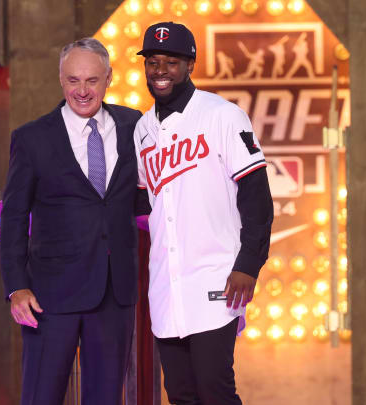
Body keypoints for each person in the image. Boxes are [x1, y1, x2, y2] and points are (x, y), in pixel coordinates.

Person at [134, 22, 274, 405]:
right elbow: (148, 207)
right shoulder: (142, 130)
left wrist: (248, 263)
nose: (160, 70)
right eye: (153, 61)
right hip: (166, 285)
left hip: (216, 279)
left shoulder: (223, 116)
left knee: (216, 392)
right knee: (180, 395)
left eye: (172, 61)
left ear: (190, 64)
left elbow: (257, 198)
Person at [0, 37, 143, 405]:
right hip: (49, 297)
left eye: (92, 80)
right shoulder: (32, 139)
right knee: (41, 397)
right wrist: (17, 287)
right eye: (73, 80)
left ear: (109, 78)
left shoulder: (134, 127)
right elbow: (14, 218)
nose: (82, 90)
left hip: (114, 294)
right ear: (61, 80)